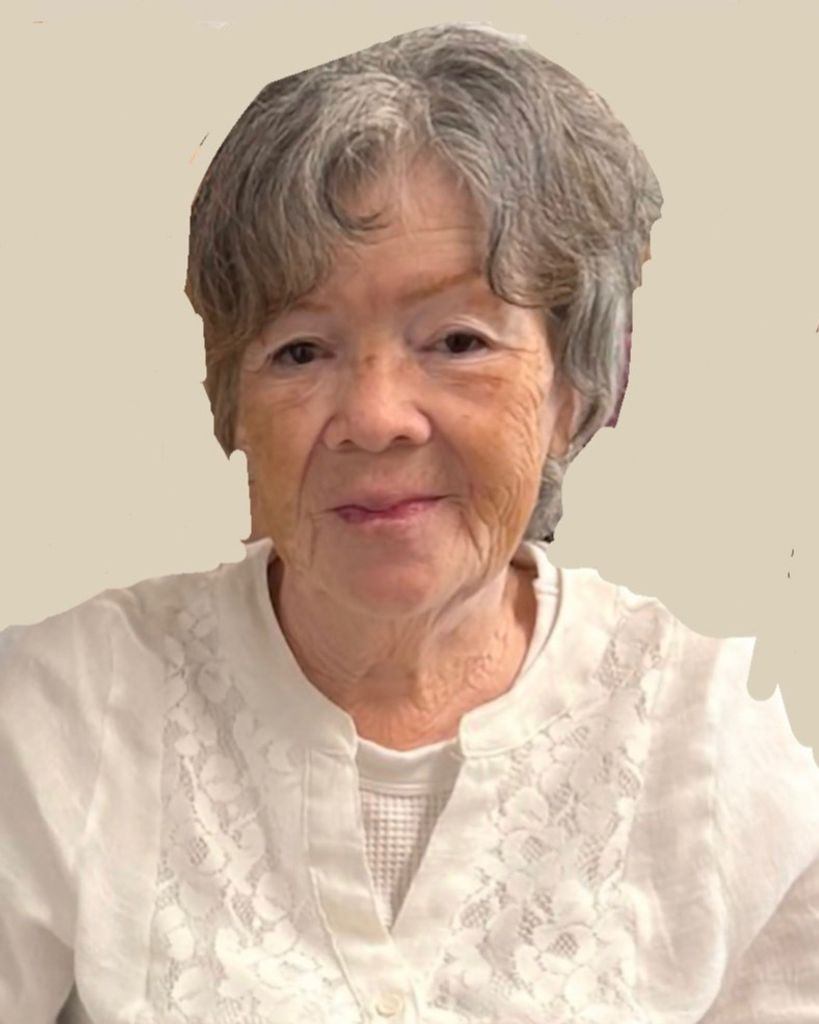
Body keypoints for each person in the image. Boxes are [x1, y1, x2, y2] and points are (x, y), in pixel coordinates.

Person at [2, 23, 817, 1024]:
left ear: (572, 390)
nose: (376, 415)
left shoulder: (718, 749)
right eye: (301, 350)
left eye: (457, 340)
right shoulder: (64, 712)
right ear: (234, 403)